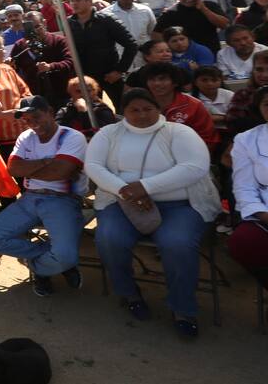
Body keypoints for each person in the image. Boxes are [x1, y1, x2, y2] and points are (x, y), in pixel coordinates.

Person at [84, 89, 221, 338]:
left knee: (176, 243)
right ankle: (129, 293)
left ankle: (182, 309)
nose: (142, 115)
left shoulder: (179, 132)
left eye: (148, 108)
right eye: (134, 110)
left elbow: (195, 167)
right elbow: (93, 166)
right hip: (122, 202)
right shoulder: (108, 133)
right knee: (109, 238)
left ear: (158, 108)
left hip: (182, 204)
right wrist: (125, 191)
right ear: (122, 112)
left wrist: (145, 187)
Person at [0, 96, 88, 296]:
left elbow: (60, 173)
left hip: (63, 200)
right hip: (30, 198)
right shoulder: (26, 136)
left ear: (50, 111)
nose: (32, 123)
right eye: (27, 120)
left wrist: (32, 168)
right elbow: (13, 169)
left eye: (36, 116)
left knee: (64, 256)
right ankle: (51, 262)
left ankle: (41, 269)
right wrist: (49, 161)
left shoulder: (71, 136)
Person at [228, 84, 268, 325]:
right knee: (242, 243)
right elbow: (243, 186)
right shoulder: (246, 140)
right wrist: (261, 213)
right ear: (258, 109)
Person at [66, 0, 138, 105]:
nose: (74, 3)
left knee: (124, 107)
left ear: (89, 1)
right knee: (92, 112)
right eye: (71, 0)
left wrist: (119, 71)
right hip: (86, 79)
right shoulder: (69, 23)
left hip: (109, 76)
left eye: (78, 0)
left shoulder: (106, 20)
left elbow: (131, 45)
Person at [142, 62, 219, 148]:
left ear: (175, 82)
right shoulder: (139, 104)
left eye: (162, 79)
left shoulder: (194, 105)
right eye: (152, 79)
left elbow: (208, 138)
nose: (156, 83)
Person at [9, 11, 74, 107]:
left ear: (44, 23)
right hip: (36, 96)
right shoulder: (20, 45)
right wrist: (10, 65)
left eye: (37, 27)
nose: (34, 31)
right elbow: (14, 69)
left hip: (62, 93)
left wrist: (50, 66)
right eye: (29, 28)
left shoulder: (59, 40)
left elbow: (70, 62)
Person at [154, 0, 228, 56]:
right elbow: (156, 34)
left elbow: (224, 24)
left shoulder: (210, 5)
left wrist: (203, 8)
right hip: (185, 57)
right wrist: (170, 49)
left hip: (212, 52)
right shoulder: (171, 12)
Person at [103, 0, 156, 66]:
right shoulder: (105, 14)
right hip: (120, 62)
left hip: (144, 60)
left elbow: (152, 32)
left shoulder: (145, 10)